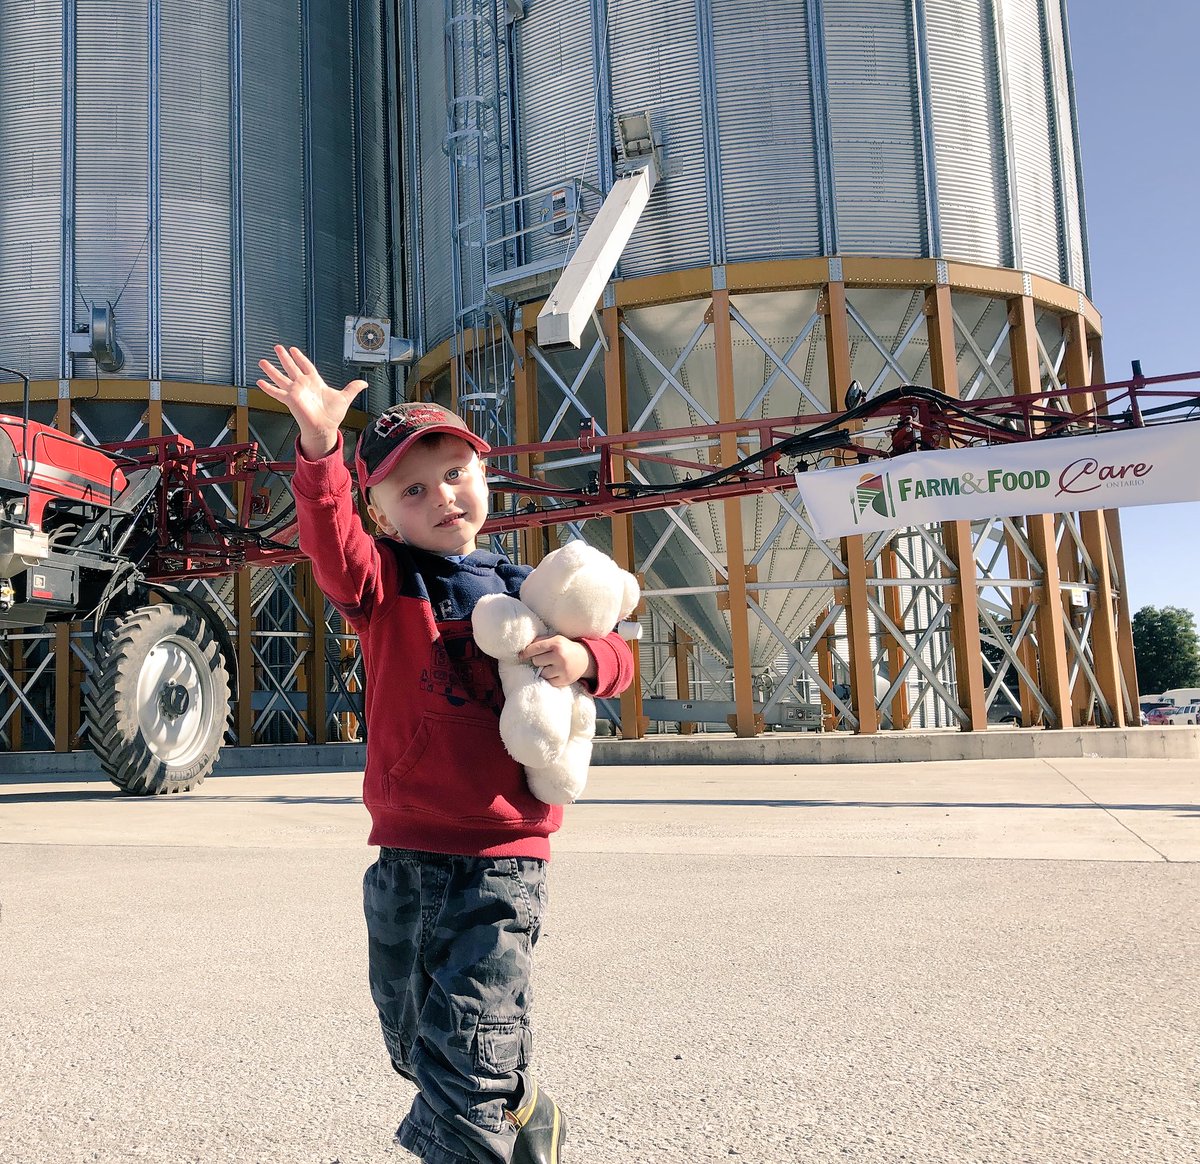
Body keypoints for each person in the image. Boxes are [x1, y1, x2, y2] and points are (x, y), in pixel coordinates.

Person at [256, 344, 635, 1164]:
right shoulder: (384, 583)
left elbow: (618, 655)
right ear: (385, 514)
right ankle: (521, 1105)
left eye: (456, 473)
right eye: (414, 490)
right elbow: (329, 540)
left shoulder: (528, 587)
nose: (443, 497)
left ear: (484, 477)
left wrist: (584, 660)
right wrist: (320, 449)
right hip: (402, 855)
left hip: (501, 859)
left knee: (468, 1053)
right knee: (415, 1045)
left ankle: (484, 1127)